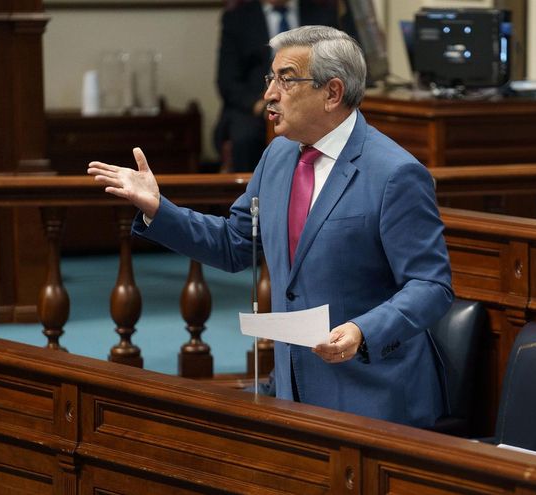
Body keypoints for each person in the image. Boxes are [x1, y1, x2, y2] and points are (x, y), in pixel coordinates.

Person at [88, 26, 453, 428]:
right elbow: (233, 244)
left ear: (332, 93)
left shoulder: (395, 173)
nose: (269, 94)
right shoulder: (278, 156)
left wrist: (362, 331)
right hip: (294, 388)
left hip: (376, 394)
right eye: (270, 78)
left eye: (286, 79)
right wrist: (159, 209)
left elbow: (431, 285)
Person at [213, 0, 342, 172]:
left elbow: (335, 69)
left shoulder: (321, 14)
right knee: (245, 138)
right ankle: (251, 195)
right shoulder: (237, 18)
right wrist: (259, 105)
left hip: (308, 100)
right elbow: (227, 81)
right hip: (254, 107)